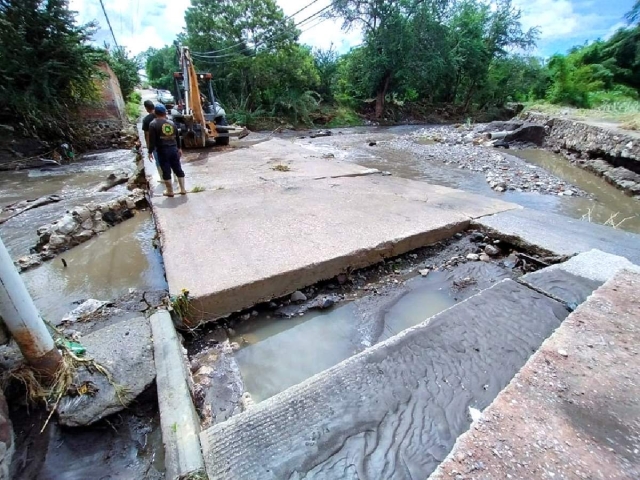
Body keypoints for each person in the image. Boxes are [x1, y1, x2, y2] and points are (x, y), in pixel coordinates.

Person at [148, 104, 187, 197]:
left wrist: (150, 152)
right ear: (165, 112)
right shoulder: (171, 123)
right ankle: (182, 189)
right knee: (177, 168)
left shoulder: (153, 124)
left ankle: (170, 191)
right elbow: (177, 137)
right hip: (174, 149)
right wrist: (179, 148)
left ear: (155, 113)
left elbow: (152, 140)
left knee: (166, 170)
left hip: (162, 150)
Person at [142, 99, 177, 183]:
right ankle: (175, 177)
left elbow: (147, 135)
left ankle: (163, 178)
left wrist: (149, 147)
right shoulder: (163, 115)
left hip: (156, 144)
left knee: (159, 161)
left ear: (146, 108)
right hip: (168, 142)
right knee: (171, 160)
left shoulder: (146, 120)